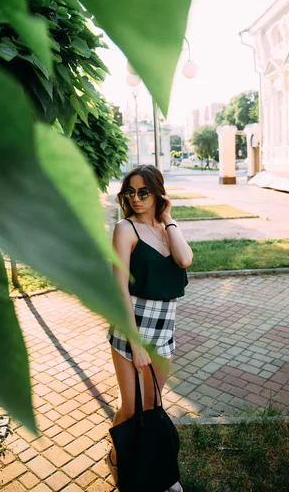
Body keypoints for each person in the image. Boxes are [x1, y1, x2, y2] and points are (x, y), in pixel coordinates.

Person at [106, 165, 193, 492]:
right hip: (131, 330)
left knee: (153, 406)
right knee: (130, 408)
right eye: (130, 192)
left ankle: (160, 473)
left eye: (144, 192)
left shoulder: (167, 228)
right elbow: (120, 290)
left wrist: (168, 218)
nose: (136, 198)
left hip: (163, 331)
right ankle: (118, 458)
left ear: (158, 193)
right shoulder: (124, 229)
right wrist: (136, 344)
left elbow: (184, 259)